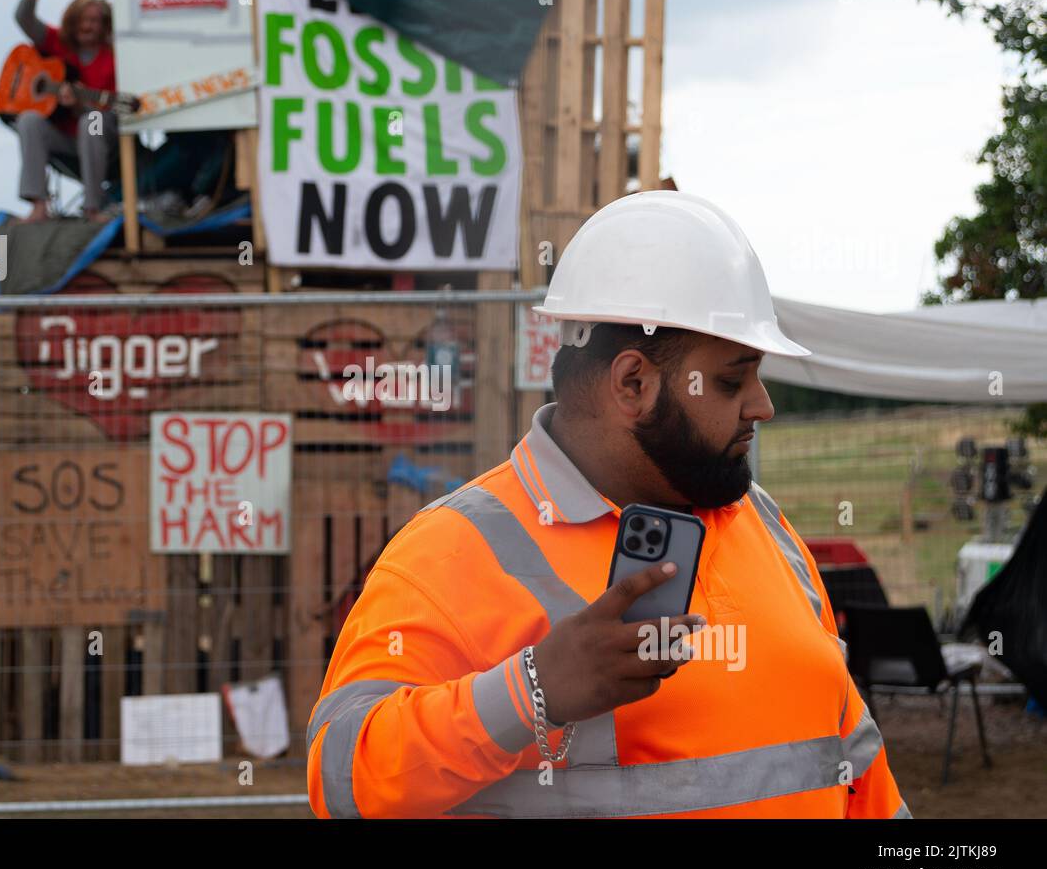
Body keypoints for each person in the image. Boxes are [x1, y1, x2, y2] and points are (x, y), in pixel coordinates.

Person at [306, 191, 909, 818]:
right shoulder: (453, 549)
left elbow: (851, 756)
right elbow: (342, 781)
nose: (762, 405)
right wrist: (531, 692)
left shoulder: (763, 522)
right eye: (732, 380)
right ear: (633, 384)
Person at [14, 0, 118, 223]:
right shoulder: (58, 44)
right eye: (83, 19)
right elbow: (24, 20)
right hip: (65, 139)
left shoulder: (114, 58)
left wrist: (80, 106)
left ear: (104, 24)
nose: (88, 26)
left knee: (91, 121)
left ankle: (93, 208)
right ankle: (38, 204)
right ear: (72, 22)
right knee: (29, 120)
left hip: (102, 140)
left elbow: (112, 110)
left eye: (95, 20)